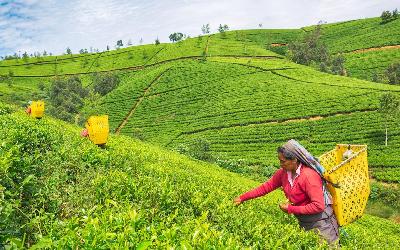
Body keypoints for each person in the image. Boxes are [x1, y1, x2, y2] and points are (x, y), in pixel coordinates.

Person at [234, 139, 339, 247]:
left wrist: (290, 209)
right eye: (279, 161)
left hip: (322, 223)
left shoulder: (309, 176)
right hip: (304, 221)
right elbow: (265, 188)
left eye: (283, 161)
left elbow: (318, 206)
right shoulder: (283, 174)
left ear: (294, 160)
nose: (280, 164)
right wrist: (242, 198)